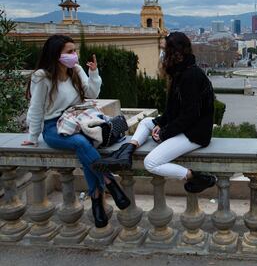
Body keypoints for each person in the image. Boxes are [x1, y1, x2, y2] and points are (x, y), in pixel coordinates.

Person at [22, 35, 129, 228]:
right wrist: (32, 136)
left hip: (77, 120)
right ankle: (109, 181)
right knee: (81, 143)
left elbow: (92, 94)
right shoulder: (42, 77)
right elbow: (36, 108)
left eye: (74, 51)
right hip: (53, 127)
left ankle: (96, 197)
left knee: (84, 146)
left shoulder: (76, 70)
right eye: (70, 52)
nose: (74, 55)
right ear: (56, 54)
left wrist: (94, 73)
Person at [93, 32, 216, 194]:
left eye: (164, 50)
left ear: (175, 53)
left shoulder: (190, 75)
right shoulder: (179, 73)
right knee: (146, 122)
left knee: (150, 163)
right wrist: (160, 123)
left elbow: (190, 115)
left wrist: (165, 133)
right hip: (186, 127)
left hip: (195, 134)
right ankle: (126, 153)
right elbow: (173, 110)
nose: (162, 54)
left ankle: (196, 177)